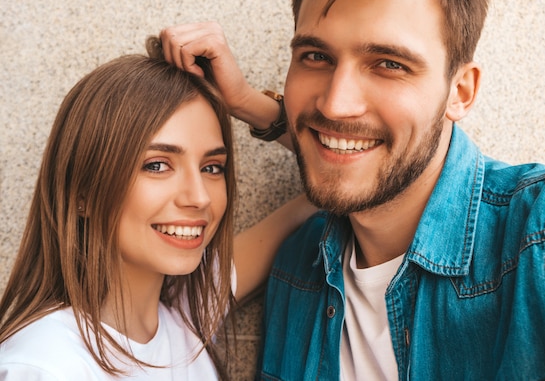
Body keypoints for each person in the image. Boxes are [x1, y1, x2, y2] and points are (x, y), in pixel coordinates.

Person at [159, 0, 545, 380]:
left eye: (388, 64)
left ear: (460, 92)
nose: (336, 103)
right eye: (316, 57)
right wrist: (246, 103)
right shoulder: (299, 265)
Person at [0, 37, 315, 380]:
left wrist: (247, 103)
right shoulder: (44, 365)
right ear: (83, 193)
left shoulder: (186, 311)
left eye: (212, 168)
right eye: (157, 165)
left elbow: (335, 187)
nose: (199, 197)